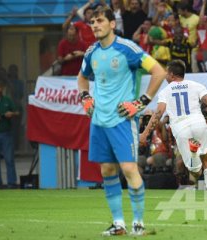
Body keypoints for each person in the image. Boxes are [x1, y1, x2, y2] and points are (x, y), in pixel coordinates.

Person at [77, 6, 166, 236]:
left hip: (122, 120)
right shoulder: (91, 52)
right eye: (92, 22)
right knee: (107, 170)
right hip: (99, 120)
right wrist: (85, 96)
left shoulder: (128, 49)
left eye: (99, 21)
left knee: (128, 168)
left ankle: (138, 223)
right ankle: (119, 224)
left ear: (112, 24)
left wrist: (140, 103)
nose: (95, 25)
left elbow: (159, 72)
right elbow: (82, 76)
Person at [140, 59, 207, 207]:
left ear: (171, 75)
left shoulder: (165, 92)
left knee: (194, 170)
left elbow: (158, 113)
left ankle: (194, 154)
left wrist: (145, 133)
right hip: (199, 125)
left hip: (182, 130)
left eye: (166, 74)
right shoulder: (196, 85)